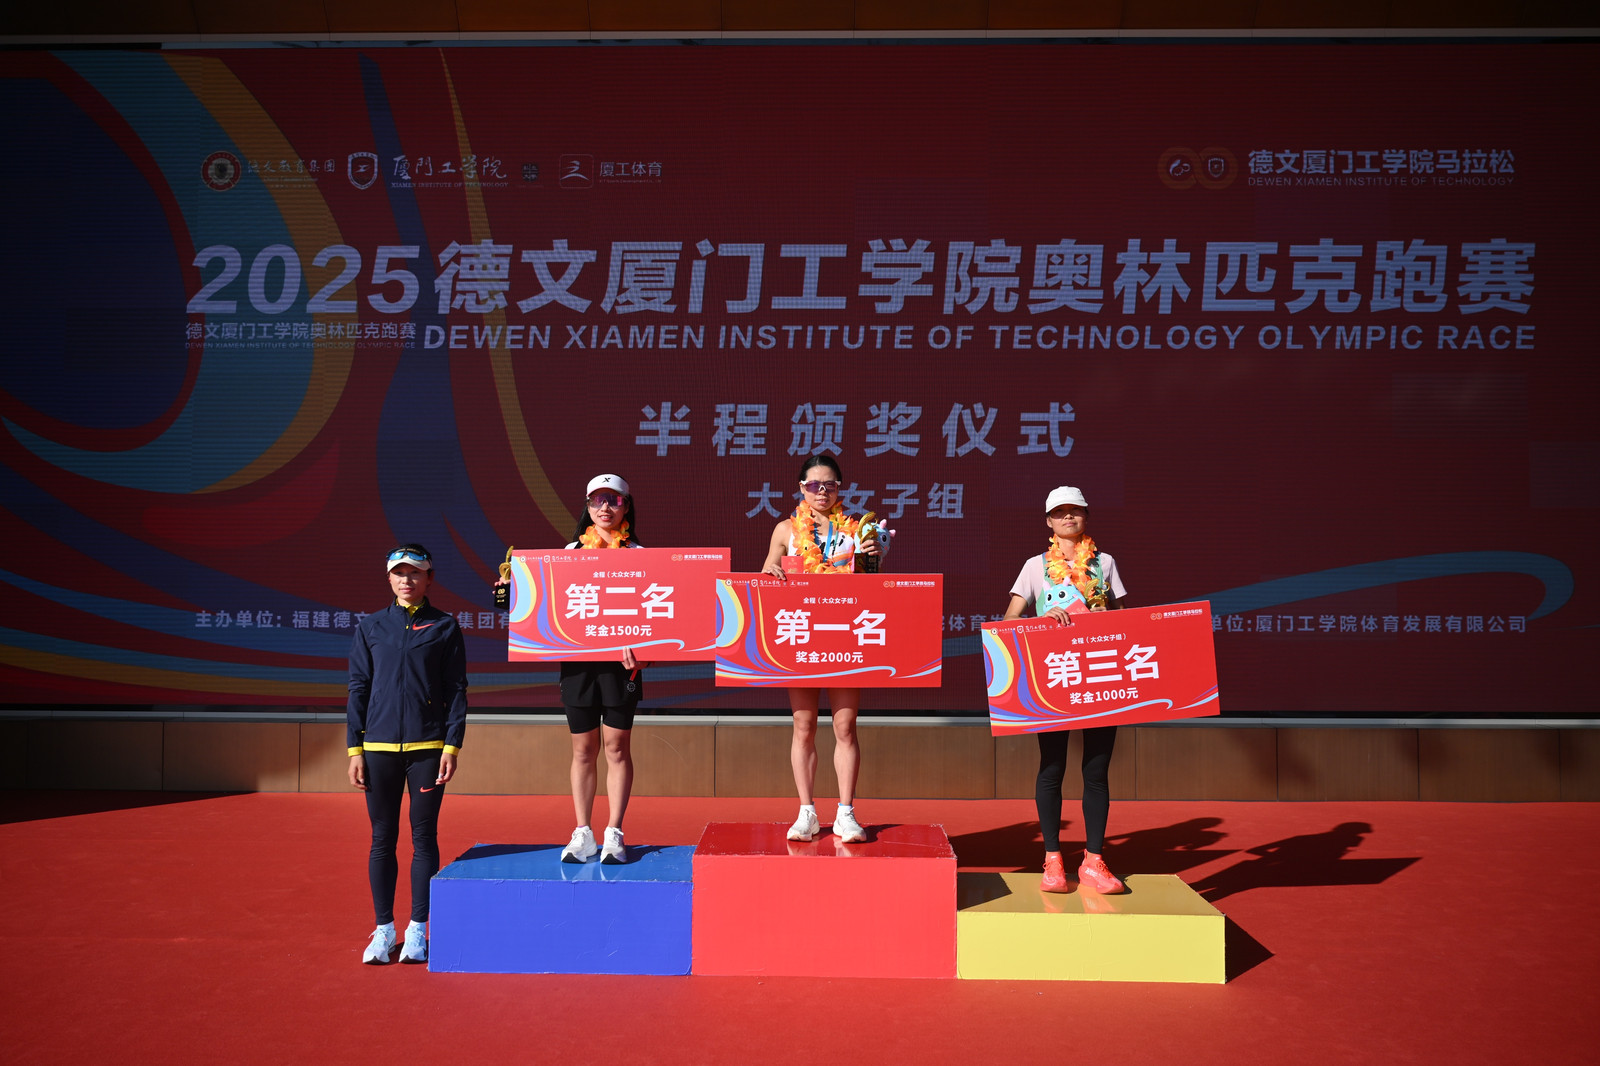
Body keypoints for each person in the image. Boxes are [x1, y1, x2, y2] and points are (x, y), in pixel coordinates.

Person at [1001, 487, 1129, 894]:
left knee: (1096, 770)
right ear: (1049, 522)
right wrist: (1044, 619)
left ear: (1086, 517)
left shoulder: (1105, 563)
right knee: (1052, 766)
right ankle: (1053, 860)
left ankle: (1094, 860)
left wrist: (1106, 616)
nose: (1068, 518)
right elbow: (1009, 621)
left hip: (1101, 677)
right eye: (1060, 513)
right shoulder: (1035, 566)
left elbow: (1126, 620)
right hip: (1054, 677)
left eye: (1075, 511)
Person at [348, 543, 467, 964]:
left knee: (423, 837)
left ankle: (418, 929)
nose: (407, 579)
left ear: (429, 578)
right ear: (389, 578)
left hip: (427, 749)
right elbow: (358, 688)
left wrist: (452, 744)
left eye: (415, 572)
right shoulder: (371, 626)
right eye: (399, 573)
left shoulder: (445, 626)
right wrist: (354, 749)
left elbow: (456, 690)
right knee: (382, 838)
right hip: (377, 749)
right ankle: (384, 930)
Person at [760, 454, 888, 844]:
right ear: (802, 488)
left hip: (844, 636)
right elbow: (766, 571)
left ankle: (846, 813)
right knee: (804, 725)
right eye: (814, 485)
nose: (822, 491)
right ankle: (807, 812)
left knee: (845, 726)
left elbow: (871, 582)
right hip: (802, 637)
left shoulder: (856, 529)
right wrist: (770, 570)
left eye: (830, 485)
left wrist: (873, 557)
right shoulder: (786, 529)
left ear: (839, 488)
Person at [553, 474, 644, 865]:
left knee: (616, 747)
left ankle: (614, 831)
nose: (605, 507)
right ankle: (583, 832)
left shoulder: (640, 555)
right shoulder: (569, 552)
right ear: (587, 506)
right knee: (583, 749)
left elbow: (659, 613)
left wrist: (645, 652)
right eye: (597, 500)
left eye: (614, 500)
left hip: (622, 666)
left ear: (626, 506)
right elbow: (551, 605)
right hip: (578, 664)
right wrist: (510, 592)